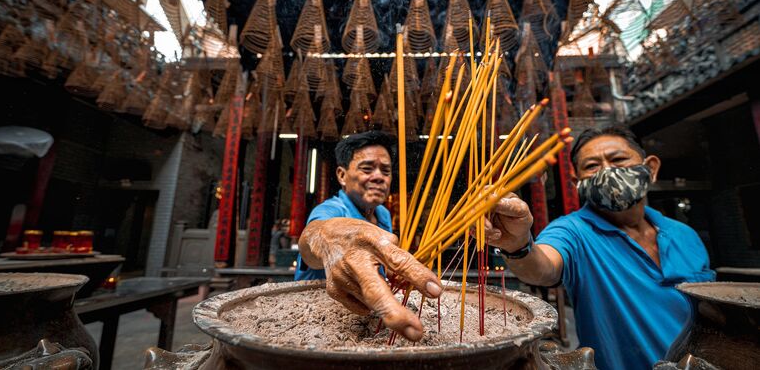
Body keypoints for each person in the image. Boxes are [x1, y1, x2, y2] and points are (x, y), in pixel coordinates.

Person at [483, 125, 715, 370]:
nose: (607, 171)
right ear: (577, 182)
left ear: (651, 168)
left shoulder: (685, 235)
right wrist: (517, 244)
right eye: (592, 166)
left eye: (618, 159)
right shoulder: (573, 231)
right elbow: (541, 267)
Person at [296, 131, 541, 342]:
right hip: (318, 325)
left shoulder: (382, 215)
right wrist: (327, 240)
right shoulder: (330, 210)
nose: (379, 176)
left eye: (386, 170)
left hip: (374, 322)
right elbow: (313, 236)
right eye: (367, 168)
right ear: (341, 175)